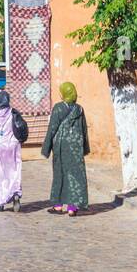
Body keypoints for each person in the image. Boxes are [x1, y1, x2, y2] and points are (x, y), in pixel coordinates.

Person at [41, 82, 90, 216]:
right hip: (76, 146)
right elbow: (84, 130)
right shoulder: (79, 109)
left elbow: (52, 129)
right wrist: (85, 148)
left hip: (61, 146)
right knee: (74, 176)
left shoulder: (58, 108)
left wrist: (46, 149)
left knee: (60, 175)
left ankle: (57, 206)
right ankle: (72, 208)